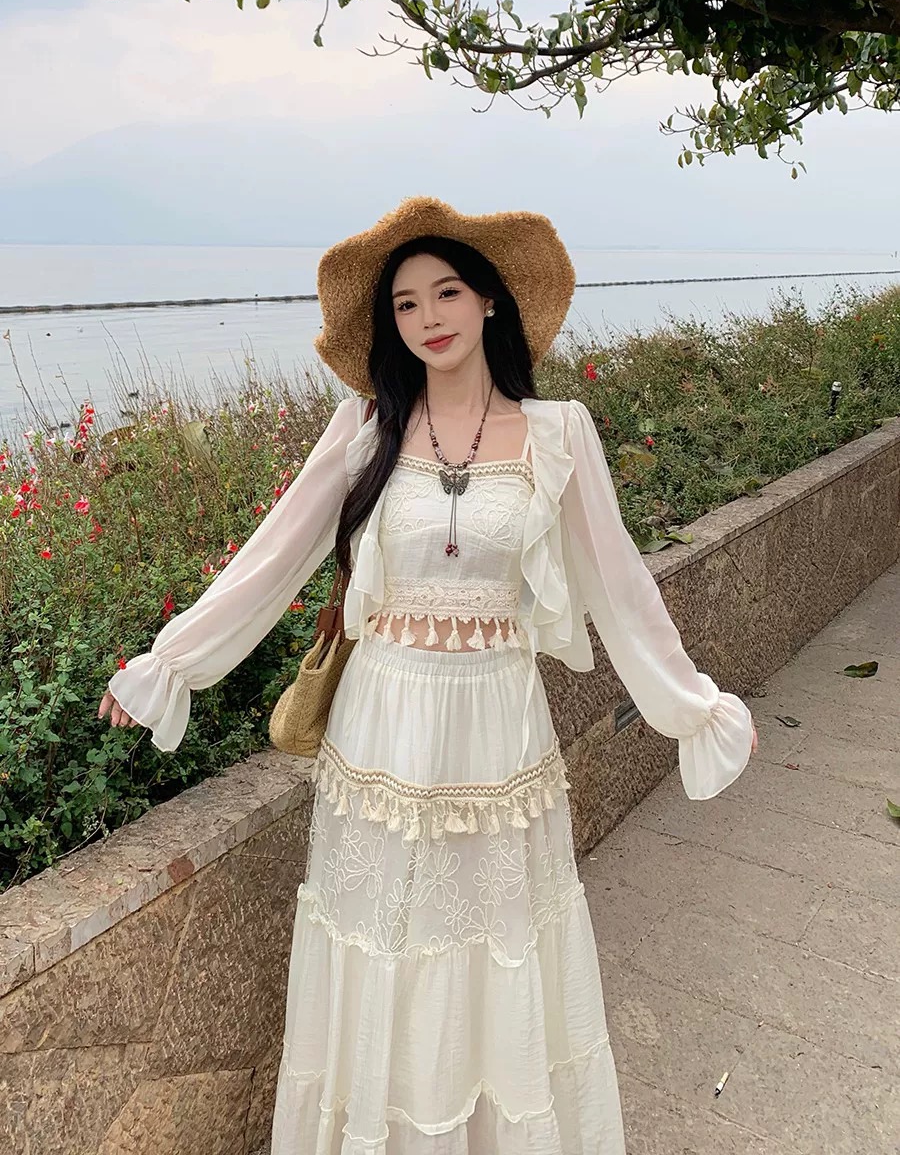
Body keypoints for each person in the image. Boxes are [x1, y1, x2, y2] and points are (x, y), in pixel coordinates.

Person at [99, 196, 758, 1153]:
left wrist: (692, 707)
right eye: (405, 304)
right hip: (381, 735)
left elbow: (620, 589)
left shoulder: (557, 433)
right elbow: (271, 558)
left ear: (490, 300)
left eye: (447, 292)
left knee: (492, 952)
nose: (428, 317)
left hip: (498, 737)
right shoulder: (366, 427)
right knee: (383, 947)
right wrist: (171, 665)